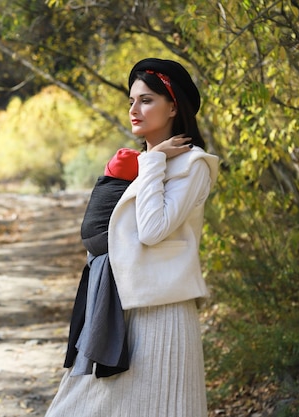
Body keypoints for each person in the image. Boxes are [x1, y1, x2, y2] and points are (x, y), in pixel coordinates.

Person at [45, 58, 219, 417]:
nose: (134, 110)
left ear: (173, 106)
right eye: (131, 101)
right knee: (77, 406)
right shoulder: (143, 162)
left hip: (164, 310)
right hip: (119, 304)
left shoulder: (193, 165)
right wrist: (151, 161)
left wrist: (153, 162)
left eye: (147, 100)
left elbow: (153, 230)